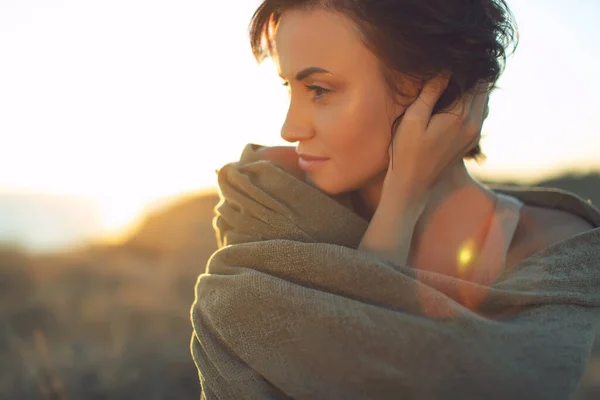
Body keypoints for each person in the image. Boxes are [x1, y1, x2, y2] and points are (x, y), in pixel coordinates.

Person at [190, 1, 600, 399]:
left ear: (432, 90)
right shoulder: (268, 205)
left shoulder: (560, 255)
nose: (289, 128)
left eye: (318, 89)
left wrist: (404, 198)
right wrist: (399, 205)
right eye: (290, 87)